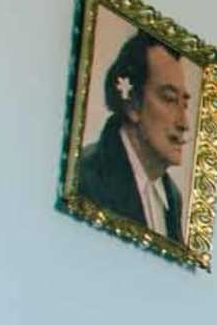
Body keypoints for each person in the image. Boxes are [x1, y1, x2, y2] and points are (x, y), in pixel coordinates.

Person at [75, 25, 197, 238]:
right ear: (132, 104)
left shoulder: (172, 198)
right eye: (169, 99)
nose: (184, 123)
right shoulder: (87, 175)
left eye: (184, 104)